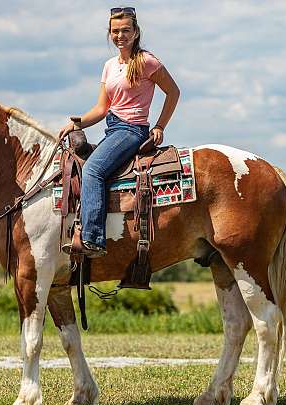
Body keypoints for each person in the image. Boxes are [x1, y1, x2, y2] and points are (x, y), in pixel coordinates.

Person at [58, 6, 180, 258]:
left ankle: (93, 238)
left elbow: (173, 92)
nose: (120, 35)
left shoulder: (147, 61)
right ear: (109, 34)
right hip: (113, 127)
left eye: (125, 30)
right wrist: (77, 123)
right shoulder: (109, 66)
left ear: (136, 32)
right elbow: (102, 109)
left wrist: (159, 126)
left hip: (132, 130)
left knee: (93, 170)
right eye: (115, 31)